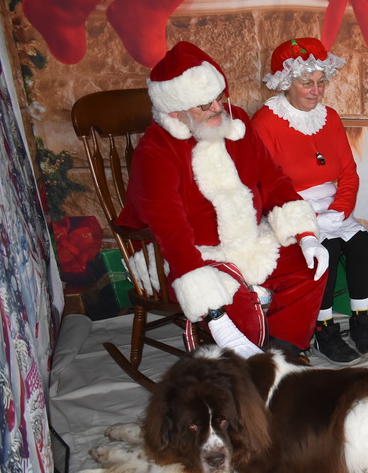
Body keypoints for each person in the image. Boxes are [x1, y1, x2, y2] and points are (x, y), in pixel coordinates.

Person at [117, 41, 330, 359]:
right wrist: (213, 313)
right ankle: (243, 364)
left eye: (219, 98)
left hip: (245, 239)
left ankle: (283, 352)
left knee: (309, 266)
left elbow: (274, 181)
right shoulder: (155, 152)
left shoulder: (237, 124)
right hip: (186, 253)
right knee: (239, 300)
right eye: (205, 105)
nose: (218, 109)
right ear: (175, 111)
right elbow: (169, 228)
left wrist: (307, 235)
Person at [251, 37, 368, 362]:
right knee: (328, 247)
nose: (316, 91)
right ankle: (323, 329)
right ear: (285, 82)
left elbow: (348, 173)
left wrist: (340, 210)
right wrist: (306, 221)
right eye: (306, 83)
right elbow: (265, 185)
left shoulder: (330, 117)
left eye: (321, 82)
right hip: (289, 209)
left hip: (331, 205)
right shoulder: (265, 123)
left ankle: (360, 320)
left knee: (360, 240)